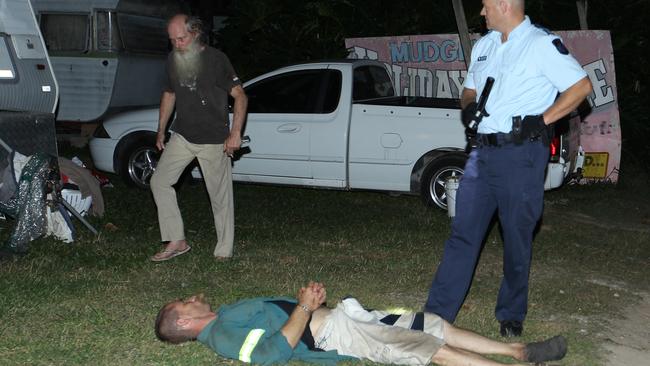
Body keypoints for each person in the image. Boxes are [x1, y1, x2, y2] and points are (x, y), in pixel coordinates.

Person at [424, 0, 592, 337]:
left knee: (516, 236)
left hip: (521, 155)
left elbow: (581, 87)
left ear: (504, 5)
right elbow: (469, 89)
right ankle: (436, 315)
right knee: (462, 233)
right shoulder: (485, 45)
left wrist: (542, 121)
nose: (482, 13)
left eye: (486, 6)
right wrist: (469, 107)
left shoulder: (540, 44)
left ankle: (511, 313)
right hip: (481, 154)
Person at [155, 281, 568, 365]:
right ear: (185, 322)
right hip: (336, 333)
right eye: (185, 302)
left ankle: (519, 351)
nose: (192, 298)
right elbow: (270, 354)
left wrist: (309, 304)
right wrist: (303, 307)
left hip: (349, 317)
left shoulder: (225, 313)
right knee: (427, 348)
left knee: (433, 324)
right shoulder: (221, 335)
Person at [149, 14, 247, 262]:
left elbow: (240, 96)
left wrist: (235, 133)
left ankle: (223, 250)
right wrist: (161, 129)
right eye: (173, 40)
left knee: (219, 198)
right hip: (183, 135)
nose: (177, 44)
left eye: (181, 39)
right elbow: (169, 94)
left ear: (195, 33)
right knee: (159, 181)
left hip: (214, 140)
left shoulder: (216, 60)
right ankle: (177, 240)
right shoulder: (173, 59)